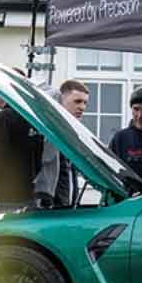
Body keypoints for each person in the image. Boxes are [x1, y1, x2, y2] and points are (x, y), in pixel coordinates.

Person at [0, 91, 41, 207]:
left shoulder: (3, 118)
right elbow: (38, 157)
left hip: (3, 195)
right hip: (28, 193)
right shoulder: (32, 118)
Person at [35, 79, 89, 208]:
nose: (82, 107)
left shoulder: (68, 130)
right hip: (47, 200)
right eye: (77, 101)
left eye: (85, 102)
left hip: (63, 201)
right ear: (61, 99)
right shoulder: (47, 128)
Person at [109, 86, 142, 188]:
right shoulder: (120, 139)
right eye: (136, 109)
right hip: (129, 198)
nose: (140, 115)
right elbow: (110, 175)